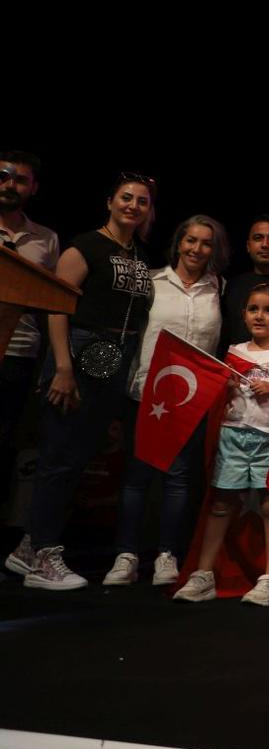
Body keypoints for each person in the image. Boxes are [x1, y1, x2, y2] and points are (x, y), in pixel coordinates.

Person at [8, 174, 156, 590]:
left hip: (114, 358)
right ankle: (43, 556)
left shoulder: (140, 255)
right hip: (79, 351)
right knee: (59, 455)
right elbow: (57, 305)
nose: (133, 205)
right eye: (126, 197)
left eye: (142, 201)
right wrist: (62, 367)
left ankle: (28, 547)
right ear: (109, 201)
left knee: (76, 456)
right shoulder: (86, 246)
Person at [106, 215, 228, 588]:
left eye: (205, 243)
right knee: (137, 477)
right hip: (147, 393)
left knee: (179, 479)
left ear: (214, 249)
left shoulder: (219, 287)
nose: (196, 249)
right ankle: (126, 555)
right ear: (178, 243)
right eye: (190, 240)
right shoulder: (152, 282)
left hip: (193, 400)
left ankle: (167, 555)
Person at [171, 284, 269, 606]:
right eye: (253, 309)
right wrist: (224, 386)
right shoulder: (234, 352)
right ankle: (204, 574)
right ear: (243, 315)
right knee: (221, 503)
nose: (260, 316)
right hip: (233, 435)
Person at [0, 151, 59, 520]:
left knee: (5, 439)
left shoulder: (46, 239)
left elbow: (50, 301)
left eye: (20, 180)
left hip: (19, 354)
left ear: (33, 188)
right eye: (3, 177)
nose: (10, 185)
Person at [219, 216, 269, 350]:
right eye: (258, 238)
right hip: (236, 360)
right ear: (248, 246)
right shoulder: (233, 285)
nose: (265, 245)